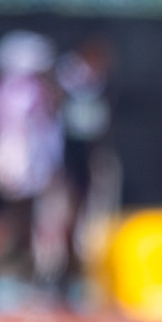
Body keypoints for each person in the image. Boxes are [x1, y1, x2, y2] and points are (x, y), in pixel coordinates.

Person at [0, 31, 63, 284]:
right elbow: (29, 132)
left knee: (26, 220)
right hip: (23, 164)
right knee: (21, 219)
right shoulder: (23, 90)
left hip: (25, 163)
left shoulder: (10, 89)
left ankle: (24, 270)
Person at [54, 36, 115, 307]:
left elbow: (99, 122)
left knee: (82, 213)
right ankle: (64, 274)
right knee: (69, 212)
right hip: (69, 150)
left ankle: (73, 273)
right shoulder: (70, 77)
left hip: (87, 152)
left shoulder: (101, 85)